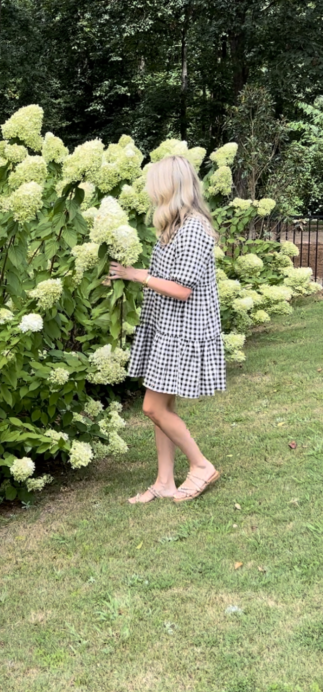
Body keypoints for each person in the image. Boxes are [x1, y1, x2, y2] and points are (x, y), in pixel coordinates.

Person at [108, 154, 225, 504]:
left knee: (153, 407)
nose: (150, 191)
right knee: (165, 406)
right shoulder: (174, 227)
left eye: (154, 184)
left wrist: (137, 275)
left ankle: (201, 465)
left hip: (184, 330)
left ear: (170, 187)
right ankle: (164, 481)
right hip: (168, 327)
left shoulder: (193, 230)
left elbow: (183, 289)